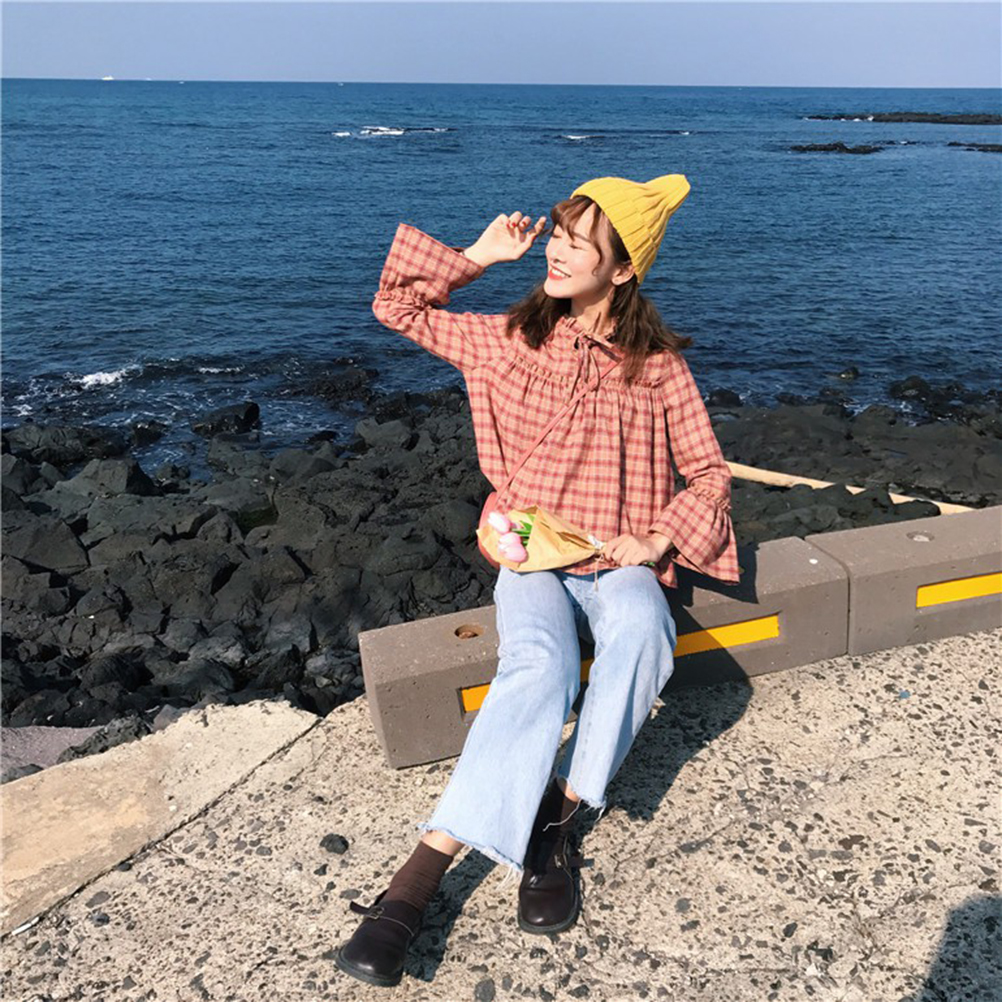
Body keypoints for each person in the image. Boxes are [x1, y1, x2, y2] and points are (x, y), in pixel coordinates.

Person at [336, 174, 740, 988]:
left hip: (616, 560)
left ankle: (554, 821)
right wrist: (479, 255)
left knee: (644, 629)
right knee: (541, 667)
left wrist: (657, 535)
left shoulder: (657, 368)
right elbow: (396, 306)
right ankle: (418, 879)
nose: (555, 251)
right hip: (531, 558)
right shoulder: (506, 341)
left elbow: (709, 473)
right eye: (556, 233)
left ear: (621, 270)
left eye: (577, 243)